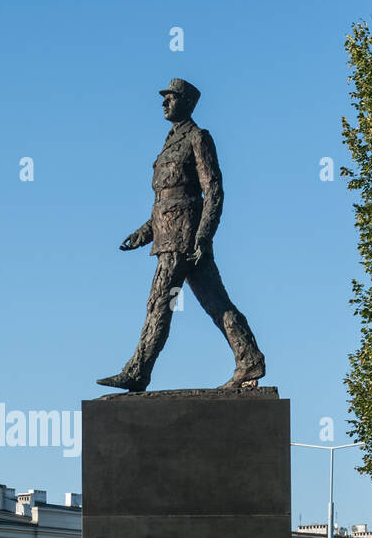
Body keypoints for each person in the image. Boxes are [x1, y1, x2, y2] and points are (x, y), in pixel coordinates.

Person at [98, 78, 266, 392]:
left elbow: (213, 191)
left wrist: (203, 237)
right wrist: (143, 233)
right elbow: (166, 199)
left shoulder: (198, 138)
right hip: (169, 236)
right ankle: (249, 358)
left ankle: (138, 371)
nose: (164, 103)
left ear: (186, 103)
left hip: (185, 239)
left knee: (160, 302)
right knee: (216, 302)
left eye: (171, 98)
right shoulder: (169, 142)